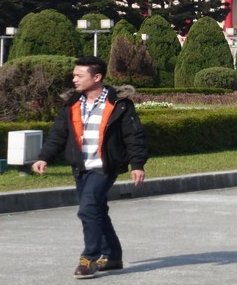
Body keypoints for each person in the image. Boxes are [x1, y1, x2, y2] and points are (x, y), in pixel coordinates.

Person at [32, 56, 149, 279]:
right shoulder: (72, 102)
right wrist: (44, 157)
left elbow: (134, 135)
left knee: (87, 209)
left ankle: (90, 258)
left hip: (105, 166)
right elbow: (59, 134)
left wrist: (137, 164)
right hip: (81, 166)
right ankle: (113, 256)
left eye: (79, 75)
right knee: (96, 210)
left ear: (97, 77)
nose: (73, 79)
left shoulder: (120, 103)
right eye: (74, 75)